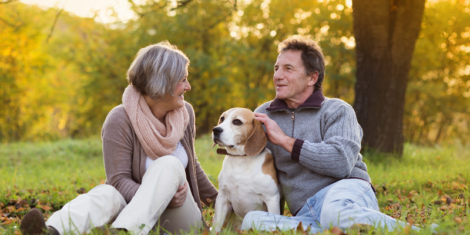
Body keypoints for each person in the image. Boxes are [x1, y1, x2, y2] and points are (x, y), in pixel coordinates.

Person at [20, 41, 218, 235]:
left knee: (169, 164)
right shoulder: (120, 119)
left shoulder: (185, 113)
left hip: (179, 219)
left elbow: (193, 166)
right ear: (162, 82)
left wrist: (222, 202)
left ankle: (124, 231)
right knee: (105, 193)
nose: (188, 87)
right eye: (183, 80)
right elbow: (118, 181)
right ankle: (51, 231)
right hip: (133, 212)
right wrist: (159, 196)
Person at [240, 36, 420, 233]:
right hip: (305, 213)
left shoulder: (337, 110)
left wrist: (284, 140)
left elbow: (340, 163)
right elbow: (252, 164)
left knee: (334, 213)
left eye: (288, 69)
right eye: (276, 68)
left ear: (312, 78)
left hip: (345, 193)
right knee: (253, 221)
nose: (277, 76)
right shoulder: (264, 114)